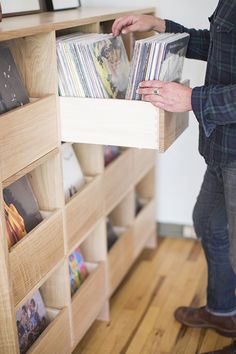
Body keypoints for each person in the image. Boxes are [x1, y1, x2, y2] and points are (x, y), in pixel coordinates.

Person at [112, 0, 236, 340]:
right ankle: (223, 311)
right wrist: (160, 24)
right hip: (223, 146)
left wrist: (192, 99)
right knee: (209, 223)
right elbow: (220, 45)